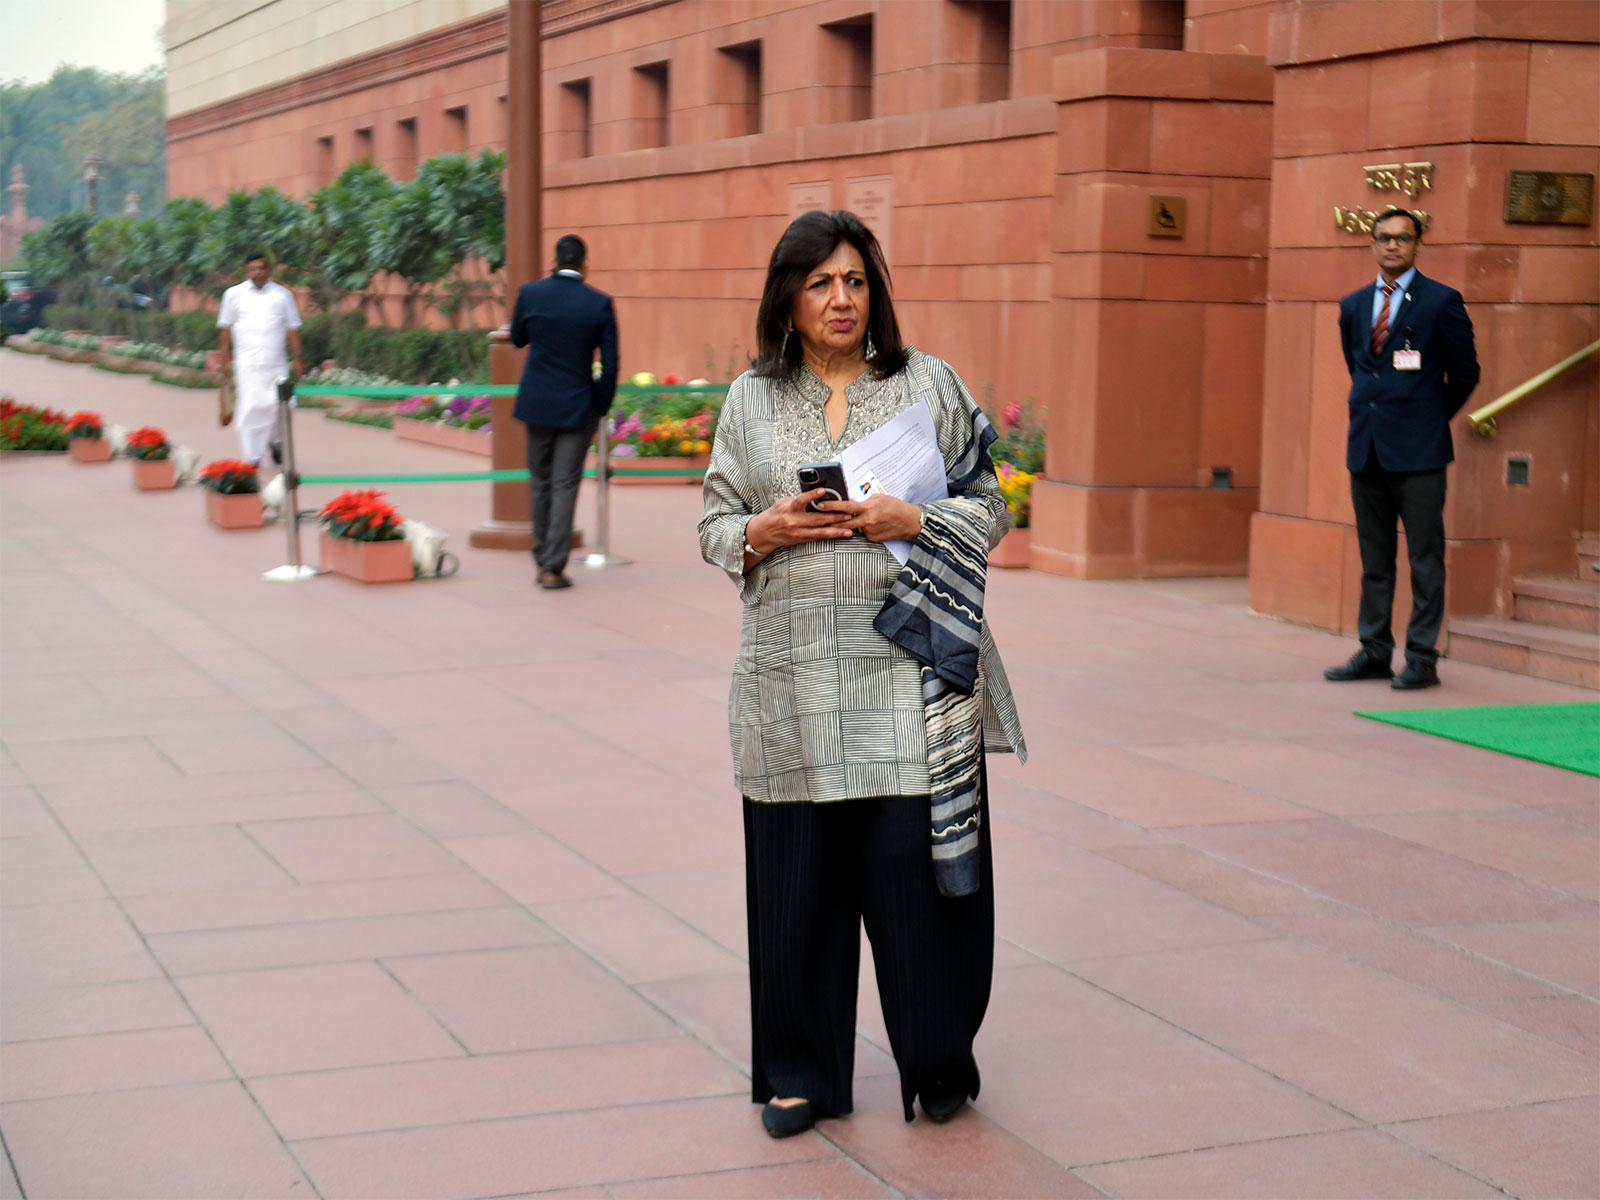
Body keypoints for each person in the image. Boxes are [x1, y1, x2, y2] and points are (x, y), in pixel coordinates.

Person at [699, 209, 1027, 1138]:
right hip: (792, 684)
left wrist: (911, 522)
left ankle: (936, 1063)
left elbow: (989, 507)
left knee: (912, 887)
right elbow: (716, 525)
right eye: (820, 284)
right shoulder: (750, 402)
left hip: (908, 677)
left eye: (854, 280)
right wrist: (764, 529)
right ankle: (799, 1073)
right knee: (797, 883)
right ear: (789, 303)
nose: (841, 298)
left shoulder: (929, 385)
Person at [1324, 207, 1480, 691]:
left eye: (1403, 238)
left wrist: (1428, 418)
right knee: (1375, 560)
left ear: (1418, 244)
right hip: (1366, 450)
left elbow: (1466, 372)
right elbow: (1362, 371)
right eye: (1384, 238)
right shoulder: (1352, 306)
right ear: (1372, 244)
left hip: (1420, 454)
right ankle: (1374, 651)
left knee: (1424, 559)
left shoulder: (1441, 301)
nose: (1393, 245)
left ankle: (1421, 658)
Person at [510, 234, 619, 590]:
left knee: (540, 481)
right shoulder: (598, 303)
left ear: (554, 261)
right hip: (577, 404)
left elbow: (517, 338)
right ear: (585, 263)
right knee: (565, 483)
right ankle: (552, 568)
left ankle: (542, 555)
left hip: (536, 402)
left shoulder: (531, 294)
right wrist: (599, 404)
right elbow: (612, 362)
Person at [217, 252, 303, 467]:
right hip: (248, 365)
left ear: (269, 270)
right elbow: (225, 328)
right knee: (251, 409)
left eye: (261, 268)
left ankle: (275, 441)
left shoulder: (283, 295)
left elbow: (293, 328)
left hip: (277, 364)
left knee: (284, 405)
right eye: (253, 269)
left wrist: (298, 357)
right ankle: (252, 457)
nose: (258, 272)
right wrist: (224, 361)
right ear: (246, 271)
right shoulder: (233, 295)